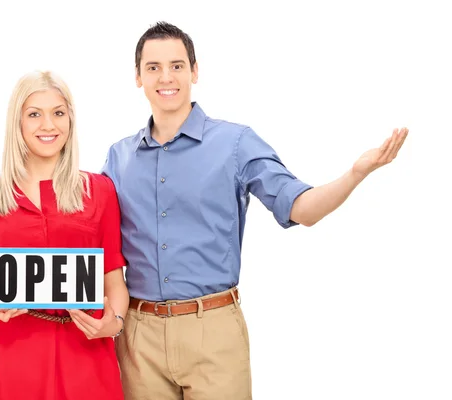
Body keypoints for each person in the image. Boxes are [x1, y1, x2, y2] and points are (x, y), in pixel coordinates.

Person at [101, 22, 408, 400]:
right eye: (154, 67)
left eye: (178, 66)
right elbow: (94, 240)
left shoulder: (235, 143)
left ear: (195, 72)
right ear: (137, 77)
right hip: (137, 337)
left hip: (212, 332)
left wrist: (355, 174)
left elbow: (301, 208)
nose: (167, 77)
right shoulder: (119, 157)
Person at [0, 70, 129, 400]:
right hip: (11, 358)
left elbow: (113, 280)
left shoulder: (100, 191)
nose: (49, 125)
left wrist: (113, 323)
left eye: (58, 113)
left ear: (70, 121)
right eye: (35, 114)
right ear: (17, 123)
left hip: (87, 358)